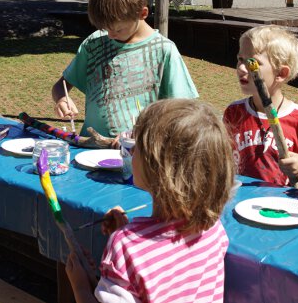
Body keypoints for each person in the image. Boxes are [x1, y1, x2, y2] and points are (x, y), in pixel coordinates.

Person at [66, 99, 234, 303]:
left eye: (138, 146)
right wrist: (131, 234)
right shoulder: (214, 230)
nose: (132, 152)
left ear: (159, 169)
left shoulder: (126, 247)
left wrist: (80, 286)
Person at [52, 0, 197, 139]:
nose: (110, 35)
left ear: (142, 14)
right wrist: (62, 99)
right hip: (90, 151)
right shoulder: (94, 44)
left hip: (137, 155)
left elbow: (184, 112)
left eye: (118, 29)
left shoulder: (164, 51)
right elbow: (60, 86)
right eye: (105, 28)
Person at [224, 25, 298, 189]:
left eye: (252, 63)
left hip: (284, 207)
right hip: (239, 201)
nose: (241, 68)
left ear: (281, 74)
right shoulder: (234, 113)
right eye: (240, 59)